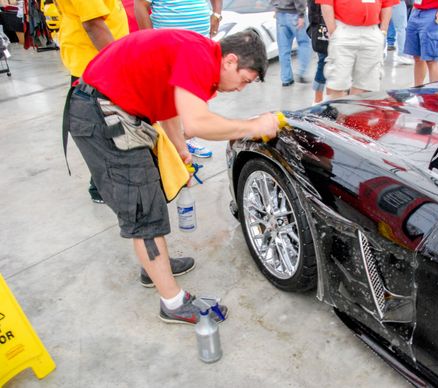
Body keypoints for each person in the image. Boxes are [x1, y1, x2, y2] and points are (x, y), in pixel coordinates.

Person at [63, 29, 280, 324]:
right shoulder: (199, 55)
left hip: (114, 109)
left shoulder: (197, 53)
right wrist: (253, 126)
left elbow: (172, 108)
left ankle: (155, 266)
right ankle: (173, 303)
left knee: (147, 193)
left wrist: (180, 149)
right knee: (142, 208)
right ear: (230, 61)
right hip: (100, 114)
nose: (241, 88)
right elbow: (198, 121)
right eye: (245, 80)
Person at [56, 0, 129, 204]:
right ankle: (101, 187)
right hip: (97, 68)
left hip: (99, 64)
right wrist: (122, 67)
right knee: (106, 131)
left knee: (113, 128)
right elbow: (93, 24)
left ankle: (105, 184)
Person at [134, 0, 223, 159]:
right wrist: (149, 42)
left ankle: (188, 137)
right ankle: (176, 145)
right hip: (170, 46)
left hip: (199, 43)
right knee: (170, 97)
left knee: (195, 92)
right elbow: (140, 5)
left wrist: (216, 14)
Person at [316, 0, 398, 99]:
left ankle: (354, 113)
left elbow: (387, 3)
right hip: (344, 29)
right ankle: (339, 113)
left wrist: (383, 30)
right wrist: (333, 30)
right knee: (338, 82)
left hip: (371, 31)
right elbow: (326, 3)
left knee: (366, 85)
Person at [404, 0, 438, 86]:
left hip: (433, 11)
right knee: (417, 56)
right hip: (417, 10)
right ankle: (418, 88)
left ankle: (435, 93)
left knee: (431, 59)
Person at [271, 0, 311, 87]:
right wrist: (301, 15)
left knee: (283, 48)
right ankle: (301, 73)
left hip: (280, 14)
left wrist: (275, 6)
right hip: (294, 13)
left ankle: (286, 78)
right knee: (304, 43)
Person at [307, 0, 328, 103]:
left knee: (324, 64)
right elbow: (312, 9)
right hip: (323, 28)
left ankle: (323, 99)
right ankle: (318, 99)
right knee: (323, 63)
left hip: (325, 26)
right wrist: (316, 24)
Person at [386, 0, 413, 65]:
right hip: (396, 2)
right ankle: (403, 55)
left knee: (382, 25)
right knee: (401, 28)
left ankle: (378, 53)